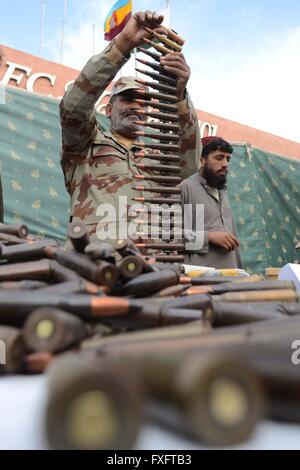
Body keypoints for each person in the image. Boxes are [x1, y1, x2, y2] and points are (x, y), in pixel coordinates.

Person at [60, 10, 200, 244]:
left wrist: (179, 95)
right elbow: (72, 109)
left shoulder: (157, 157)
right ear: (108, 109)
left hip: (150, 270)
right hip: (93, 267)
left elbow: (189, 163)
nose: (137, 107)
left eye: (144, 102)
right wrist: (123, 45)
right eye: (128, 98)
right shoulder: (85, 146)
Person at [180, 136, 243, 269]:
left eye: (228, 158)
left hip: (230, 279)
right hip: (198, 280)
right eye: (219, 158)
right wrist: (209, 237)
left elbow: (234, 244)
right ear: (202, 160)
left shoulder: (223, 193)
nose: (225, 164)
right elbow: (168, 236)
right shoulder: (186, 188)